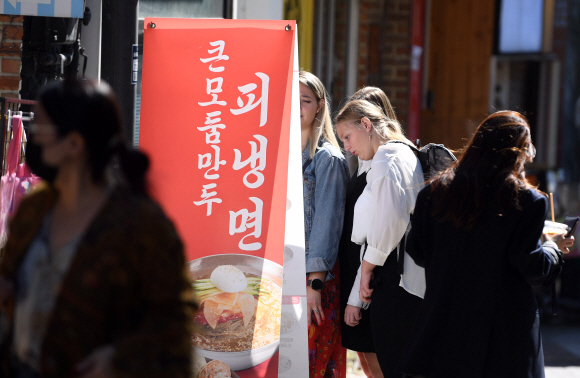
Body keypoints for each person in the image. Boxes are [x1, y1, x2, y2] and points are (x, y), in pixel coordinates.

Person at [0, 79, 196, 378]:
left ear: (74, 144)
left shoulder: (141, 225)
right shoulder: (35, 208)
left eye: (39, 130)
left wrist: (122, 360)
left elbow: (174, 324)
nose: (32, 139)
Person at [397, 111, 573, 378]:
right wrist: (552, 248)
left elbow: (416, 250)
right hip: (502, 333)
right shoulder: (526, 201)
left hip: (445, 324)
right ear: (519, 152)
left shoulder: (434, 192)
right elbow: (532, 267)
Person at [335, 99, 425, 378]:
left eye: (347, 136)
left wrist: (367, 269)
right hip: (402, 279)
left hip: (396, 281)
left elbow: (391, 219)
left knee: (394, 366)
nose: (347, 147)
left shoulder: (388, 156)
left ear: (366, 124)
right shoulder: (403, 152)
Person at [339, 87, 398, 378]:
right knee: (366, 358)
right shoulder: (365, 163)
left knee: (378, 362)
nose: (348, 143)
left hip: (370, 279)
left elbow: (376, 236)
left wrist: (356, 297)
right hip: (358, 273)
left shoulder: (385, 164)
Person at [299, 71, 349, 378]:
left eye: (304, 100)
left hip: (315, 279)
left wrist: (314, 283)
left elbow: (328, 223)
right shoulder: (274, 152)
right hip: (281, 274)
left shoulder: (328, 158)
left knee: (312, 365)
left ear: (319, 105)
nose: (296, 107)